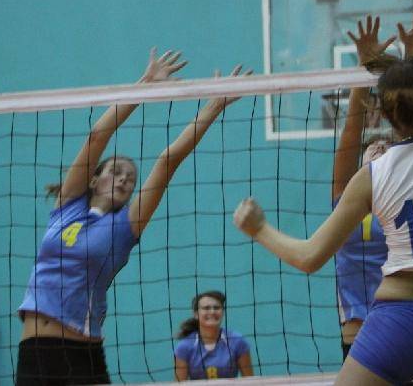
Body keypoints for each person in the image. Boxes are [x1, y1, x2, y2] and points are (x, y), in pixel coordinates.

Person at [235, 14, 413, 386]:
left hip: (398, 322)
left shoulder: (372, 175)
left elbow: (309, 257)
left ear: (385, 115)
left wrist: (259, 228)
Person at [16, 49, 249, 385]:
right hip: (34, 354)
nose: (125, 179)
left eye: (131, 178)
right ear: (94, 179)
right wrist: (144, 85)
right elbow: (98, 135)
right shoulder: (67, 206)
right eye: (116, 172)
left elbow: (167, 161)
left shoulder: (125, 226)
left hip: (82, 356)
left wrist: (214, 106)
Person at [334, 15, 413, 360]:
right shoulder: (346, 199)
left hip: (405, 320)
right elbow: (352, 131)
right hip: (359, 329)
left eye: (387, 146)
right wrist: (364, 69)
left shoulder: (409, 191)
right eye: (372, 147)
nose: (379, 147)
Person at [173, 290, 253, 380]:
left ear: (223, 312)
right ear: (196, 314)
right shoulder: (184, 347)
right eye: (206, 308)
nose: (212, 312)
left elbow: (250, 381)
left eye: (216, 308)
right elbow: (179, 384)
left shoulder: (237, 341)